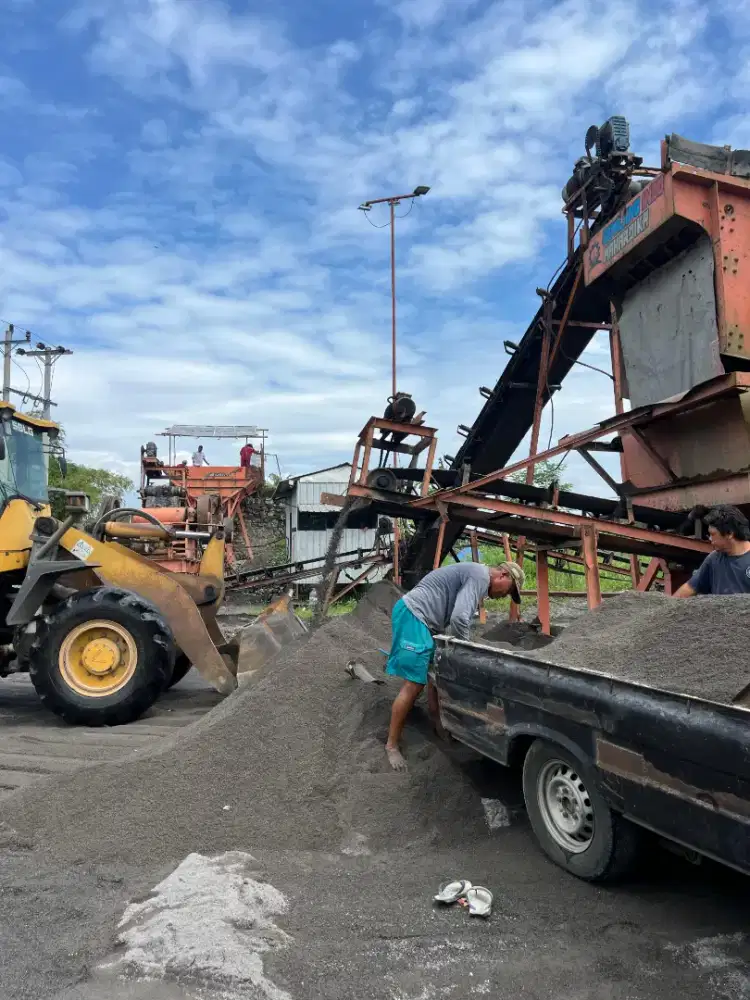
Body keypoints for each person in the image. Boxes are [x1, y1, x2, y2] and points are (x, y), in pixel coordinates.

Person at [384, 560, 525, 771]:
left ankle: (438, 724)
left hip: (427, 622)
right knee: (415, 683)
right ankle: (391, 745)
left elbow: (455, 617)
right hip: (414, 615)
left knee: (437, 672)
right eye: (509, 590)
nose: (505, 595)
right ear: (503, 575)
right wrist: (466, 654)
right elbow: (459, 618)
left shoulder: (476, 576)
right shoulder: (480, 576)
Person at [675, 505, 750, 597]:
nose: (710, 539)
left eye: (713, 534)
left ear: (730, 533)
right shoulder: (714, 558)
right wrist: (671, 604)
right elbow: (690, 588)